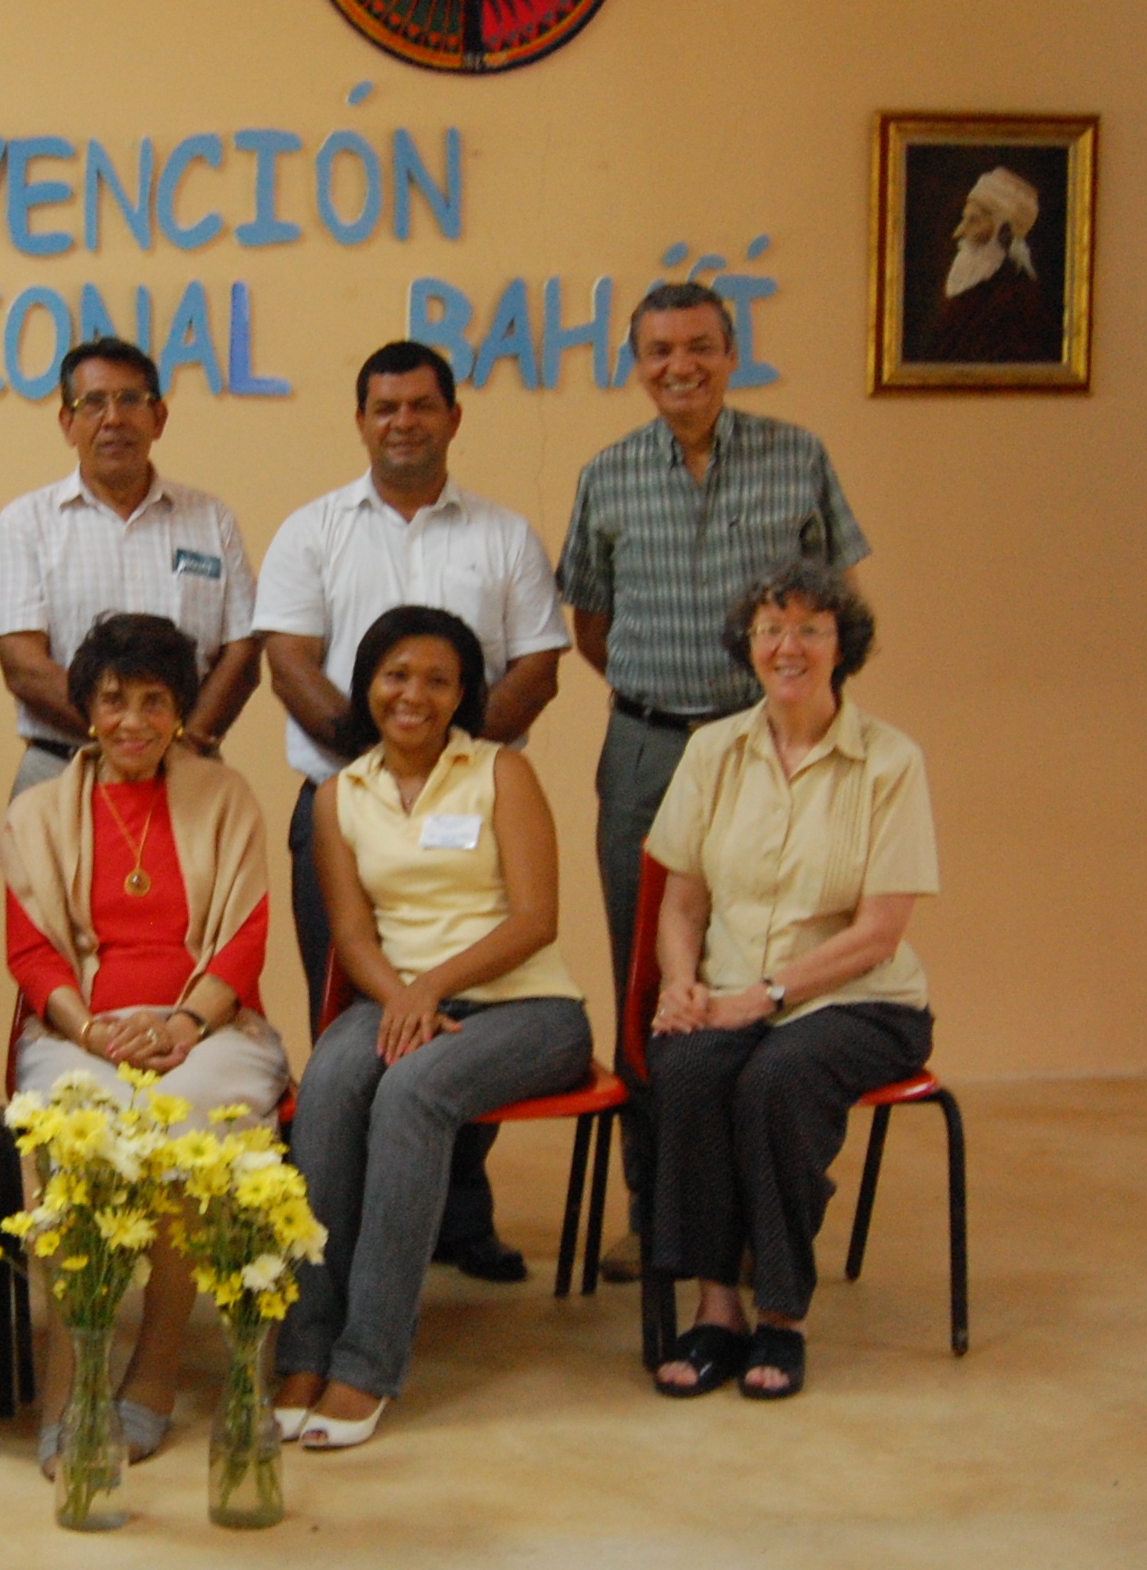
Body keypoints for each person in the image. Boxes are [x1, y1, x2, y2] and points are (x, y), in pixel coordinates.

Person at [556, 281, 873, 1282]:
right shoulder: (605, 476)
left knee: (777, 950)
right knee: (654, 978)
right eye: (657, 350)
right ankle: (660, 1209)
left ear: (731, 355)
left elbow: (835, 609)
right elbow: (591, 627)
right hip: (650, 748)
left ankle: (766, 1194)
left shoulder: (796, 457)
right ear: (635, 363)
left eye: (698, 346)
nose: (678, 365)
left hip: (770, 748)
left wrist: (768, 720)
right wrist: (672, 710)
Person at [254, 339, 570, 1283]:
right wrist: (381, 768)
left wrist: (450, 756)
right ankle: (339, 1225)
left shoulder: (504, 536)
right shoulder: (312, 532)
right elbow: (288, 660)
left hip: (474, 808)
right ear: (361, 421)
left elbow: (538, 664)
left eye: (421, 406)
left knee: (475, 1015)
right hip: (342, 810)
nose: (403, 422)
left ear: (452, 417)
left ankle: (454, 1212)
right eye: (385, 407)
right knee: (355, 1017)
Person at [271, 607, 592, 1449]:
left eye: (438, 679)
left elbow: (536, 918)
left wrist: (434, 989)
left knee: (411, 1096)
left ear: (462, 695)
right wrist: (405, 997)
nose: (414, 694)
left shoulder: (501, 774)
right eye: (396, 675)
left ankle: (367, 1364)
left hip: (527, 1007)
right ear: (368, 684)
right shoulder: (342, 793)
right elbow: (352, 936)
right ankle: (305, 1345)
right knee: (333, 1084)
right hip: (397, 994)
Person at [0, 613, 289, 1473]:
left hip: (211, 1026)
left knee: (191, 1121)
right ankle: (71, 1382)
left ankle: (155, 1370)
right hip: (78, 1029)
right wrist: (91, 1030)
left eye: (154, 701)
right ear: (86, 708)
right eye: (113, 700)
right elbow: (29, 950)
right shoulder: (39, 811)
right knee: (79, 1130)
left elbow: (246, 935)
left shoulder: (225, 796)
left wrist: (182, 1023)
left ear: (181, 712)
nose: (132, 720)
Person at [643, 562, 936, 1401]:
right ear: (750, 645)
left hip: (861, 1001)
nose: (788, 645)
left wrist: (764, 996)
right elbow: (682, 902)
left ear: (843, 646)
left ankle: (783, 1315)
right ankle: (715, 1309)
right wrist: (680, 987)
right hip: (731, 993)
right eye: (772, 628)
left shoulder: (889, 762)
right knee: (688, 1071)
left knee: (777, 1078)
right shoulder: (713, 750)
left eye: (810, 627)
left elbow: (879, 932)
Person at [0, 336, 261, 798]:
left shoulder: (211, 519)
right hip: (61, 770)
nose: (113, 419)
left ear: (159, 418)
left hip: (188, 769)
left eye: (131, 400)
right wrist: (119, 738)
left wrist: (178, 744)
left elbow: (242, 653)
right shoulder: (26, 522)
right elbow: (24, 665)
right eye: (93, 403)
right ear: (67, 423)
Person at [924, 166, 1059, 363]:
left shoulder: (1018, 302)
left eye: (974, 221)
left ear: (1003, 231)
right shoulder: (968, 292)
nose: (959, 232)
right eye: (965, 219)